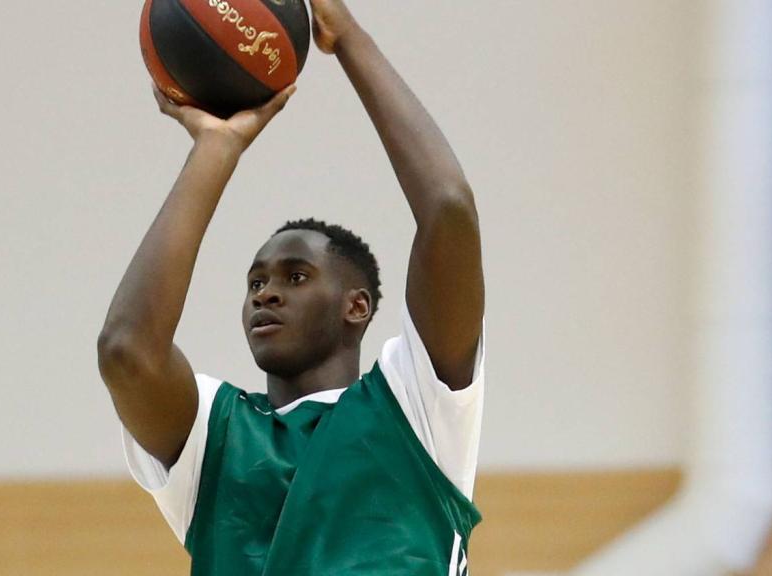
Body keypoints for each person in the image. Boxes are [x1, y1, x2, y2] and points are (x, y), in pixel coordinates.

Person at [97, 1, 485, 573]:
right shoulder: (216, 437)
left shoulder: (417, 409)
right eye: (255, 282)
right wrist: (215, 148)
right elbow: (126, 350)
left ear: (359, 306)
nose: (265, 293)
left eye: (294, 277)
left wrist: (347, 36)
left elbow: (448, 209)